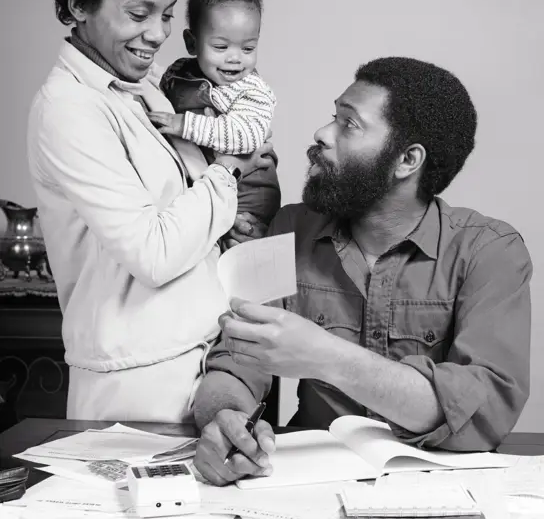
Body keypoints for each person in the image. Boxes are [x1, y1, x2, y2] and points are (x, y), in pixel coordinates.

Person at [192, 57, 532, 486]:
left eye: (349, 125)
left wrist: (326, 356)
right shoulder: (289, 229)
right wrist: (226, 420)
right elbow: (237, 362)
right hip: (305, 482)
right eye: (333, 117)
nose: (321, 134)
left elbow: (486, 411)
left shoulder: (491, 251)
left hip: (443, 487)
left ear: (407, 160)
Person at [26, 0, 279, 422]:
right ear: (77, 4)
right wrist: (231, 166)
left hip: (210, 353)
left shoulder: (150, 83)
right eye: (139, 14)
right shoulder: (69, 109)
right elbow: (156, 253)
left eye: (166, 14)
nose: (158, 33)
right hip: (139, 377)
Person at [148, 0, 276, 160]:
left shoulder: (251, 90)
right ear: (192, 43)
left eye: (248, 49)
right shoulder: (178, 72)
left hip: (251, 185)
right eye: (221, 47)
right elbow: (158, 95)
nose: (235, 58)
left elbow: (248, 136)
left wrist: (186, 125)